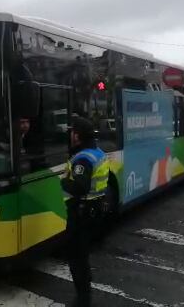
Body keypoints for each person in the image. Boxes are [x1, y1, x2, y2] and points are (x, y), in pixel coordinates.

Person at [61, 117, 109, 307]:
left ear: (78, 136)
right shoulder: (97, 153)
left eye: (73, 131)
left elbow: (80, 187)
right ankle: (85, 286)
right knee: (82, 254)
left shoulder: (83, 159)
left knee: (75, 257)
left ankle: (83, 300)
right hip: (93, 210)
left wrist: (64, 182)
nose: (71, 134)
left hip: (81, 213)